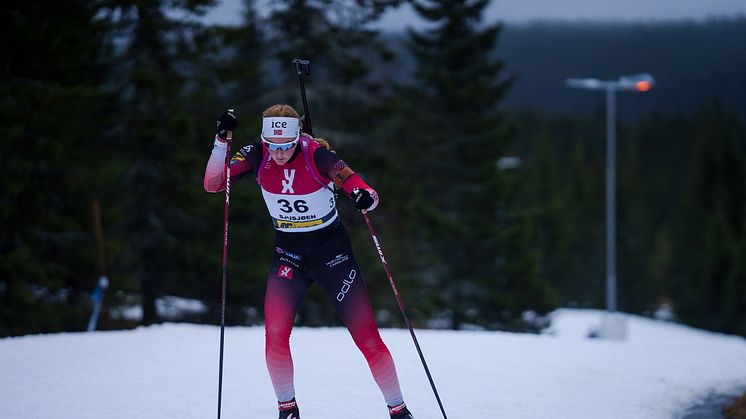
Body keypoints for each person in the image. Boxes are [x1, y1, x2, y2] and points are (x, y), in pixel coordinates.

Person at [203, 105, 415, 419]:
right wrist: (221, 141)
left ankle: (398, 410)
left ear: (297, 137)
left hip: (333, 255)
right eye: (272, 145)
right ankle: (287, 409)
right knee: (275, 332)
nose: (277, 153)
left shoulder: (318, 155)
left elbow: (360, 187)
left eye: (285, 146)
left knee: (367, 335)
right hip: (289, 255)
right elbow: (213, 183)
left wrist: (364, 196)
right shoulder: (256, 154)